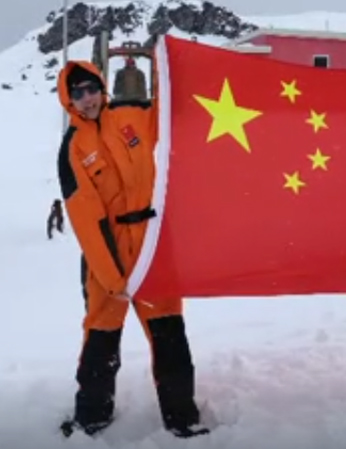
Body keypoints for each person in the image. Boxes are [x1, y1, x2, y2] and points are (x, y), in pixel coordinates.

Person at [56, 60, 208, 439]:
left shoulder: (131, 116)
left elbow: (173, 110)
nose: (88, 98)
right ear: (68, 99)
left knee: (170, 335)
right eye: (78, 93)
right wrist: (112, 278)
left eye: (92, 89)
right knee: (101, 341)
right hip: (107, 255)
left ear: (102, 87)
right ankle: (92, 416)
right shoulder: (72, 148)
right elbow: (86, 220)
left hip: (153, 247)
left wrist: (166, 64)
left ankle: (182, 418)